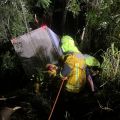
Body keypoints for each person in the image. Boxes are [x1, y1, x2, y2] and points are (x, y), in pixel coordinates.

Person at [46, 35, 99, 120]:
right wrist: (93, 90)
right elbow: (88, 76)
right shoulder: (81, 57)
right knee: (76, 111)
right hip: (81, 90)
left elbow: (63, 75)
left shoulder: (70, 58)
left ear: (65, 45)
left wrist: (57, 73)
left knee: (61, 108)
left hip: (70, 91)